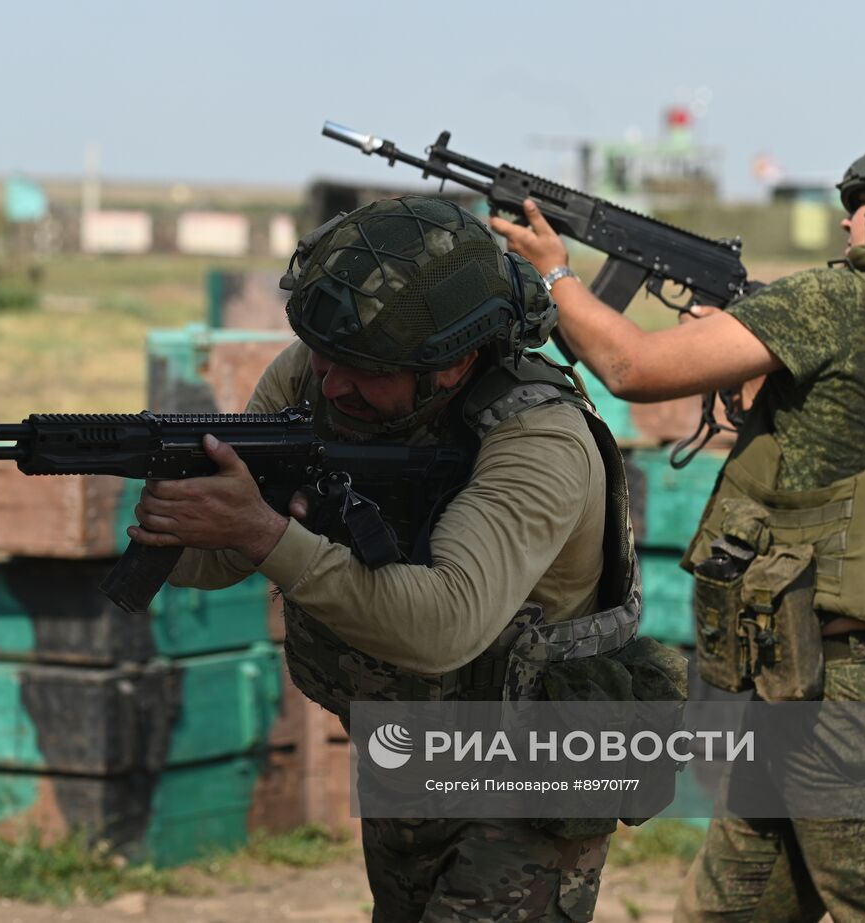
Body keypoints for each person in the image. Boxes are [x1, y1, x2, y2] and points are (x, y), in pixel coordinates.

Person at [493, 130, 865, 921]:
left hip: (842, 699)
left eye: (861, 207)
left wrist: (554, 271)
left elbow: (632, 367)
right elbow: (850, 469)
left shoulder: (836, 301)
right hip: (835, 685)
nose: (847, 225)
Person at [127, 195, 683, 922]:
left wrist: (265, 533)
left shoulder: (540, 440)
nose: (328, 383)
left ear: (450, 362)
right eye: (324, 355)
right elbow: (223, 554)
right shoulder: (323, 372)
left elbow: (443, 623)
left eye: (361, 369)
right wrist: (186, 521)